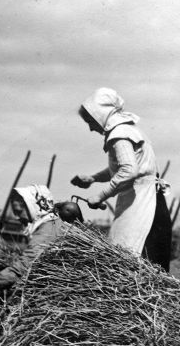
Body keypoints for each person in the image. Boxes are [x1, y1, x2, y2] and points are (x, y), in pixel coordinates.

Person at [71, 87, 172, 271]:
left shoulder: (119, 134)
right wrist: (93, 178)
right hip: (150, 199)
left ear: (100, 115)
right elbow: (124, 168)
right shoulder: (129, 129)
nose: (91, 128)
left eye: (90, 121)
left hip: (143, 206)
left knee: (130, 260)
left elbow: (128, 170)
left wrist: (100, 196)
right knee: (142, 263)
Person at [0, 184, 71, 302]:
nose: (17, 217)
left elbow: (21, 269)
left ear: (33, 206)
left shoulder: (46, 233)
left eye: (19, 211)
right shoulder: (54, 223)